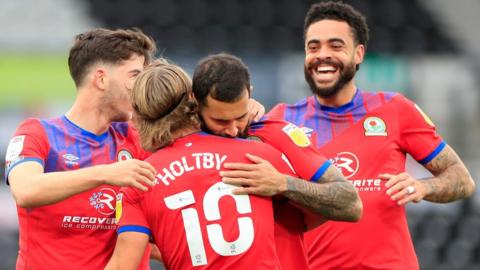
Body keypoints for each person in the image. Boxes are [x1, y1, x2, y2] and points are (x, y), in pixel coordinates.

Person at [254, 2, 475, 269]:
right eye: (313, 47)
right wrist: (246, 110)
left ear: (358, 54)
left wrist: (423, 186)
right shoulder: (280, 119)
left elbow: (462, 179)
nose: (322, 55)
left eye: (336, 46)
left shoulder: (395, 110)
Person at [106, 60, 298, 270]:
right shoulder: (257, 156)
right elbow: (315, 214)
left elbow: (122, 266)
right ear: (193, 102)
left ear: (139, 115)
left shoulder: (140, 182)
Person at [4, 28, 158, 269]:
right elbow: (25, 190)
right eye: (135, 75)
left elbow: (148, 234)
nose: (142, 87)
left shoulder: (137, 139)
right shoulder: (37, 133)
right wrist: (106, 173)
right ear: (101, 79)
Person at [191, 53, 362, 270]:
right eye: (220, 121)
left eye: (241, 117)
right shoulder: (177, 145)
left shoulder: (277, 134)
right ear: (195, 102)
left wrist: (283, 184)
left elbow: (351, 204)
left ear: (250, 95)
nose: (233, 130)